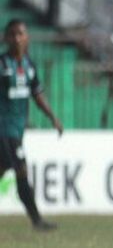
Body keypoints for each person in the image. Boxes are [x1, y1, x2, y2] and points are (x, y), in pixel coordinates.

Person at [0, 20, 63, 231]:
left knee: (3, 169)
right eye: (13, 34)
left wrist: (52, 117)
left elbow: (37, 94)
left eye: (21, 33)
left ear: (27, 37)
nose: (17, 38)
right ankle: (37, 221)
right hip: (4, 130)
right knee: (21, 170)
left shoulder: (29, 65)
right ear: (6, 38)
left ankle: (37, 221)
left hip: (17, 129)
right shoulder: (2, 64)